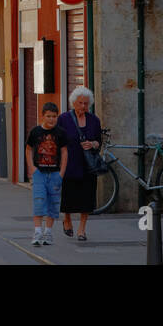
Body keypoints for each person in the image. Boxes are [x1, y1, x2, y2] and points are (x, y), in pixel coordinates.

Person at [57, 86, 103, 241]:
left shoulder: (94, 120)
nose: (83, 106)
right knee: (68, 196)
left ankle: (82, 229)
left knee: (87, 198)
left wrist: (93, 144)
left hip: (87, 165)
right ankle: (67, 219)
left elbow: (99, 142)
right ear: (73, 103)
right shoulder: (64, 119)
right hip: (69, 163)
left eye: (86, 103)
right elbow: (58, 141)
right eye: (80, 103)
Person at [26, 101, 69, 246]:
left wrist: (61, 173)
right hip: (39, 174)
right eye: (49, 116)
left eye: (55, 116)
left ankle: (48, 233)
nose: (52, 119)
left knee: (53, 204)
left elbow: (64, 152)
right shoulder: (35, 132)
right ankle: (37, 232)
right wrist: (32, 168)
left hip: (55, 174)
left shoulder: (61, 133)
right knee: (39, 202)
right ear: (42, 116)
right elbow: (28, 149)